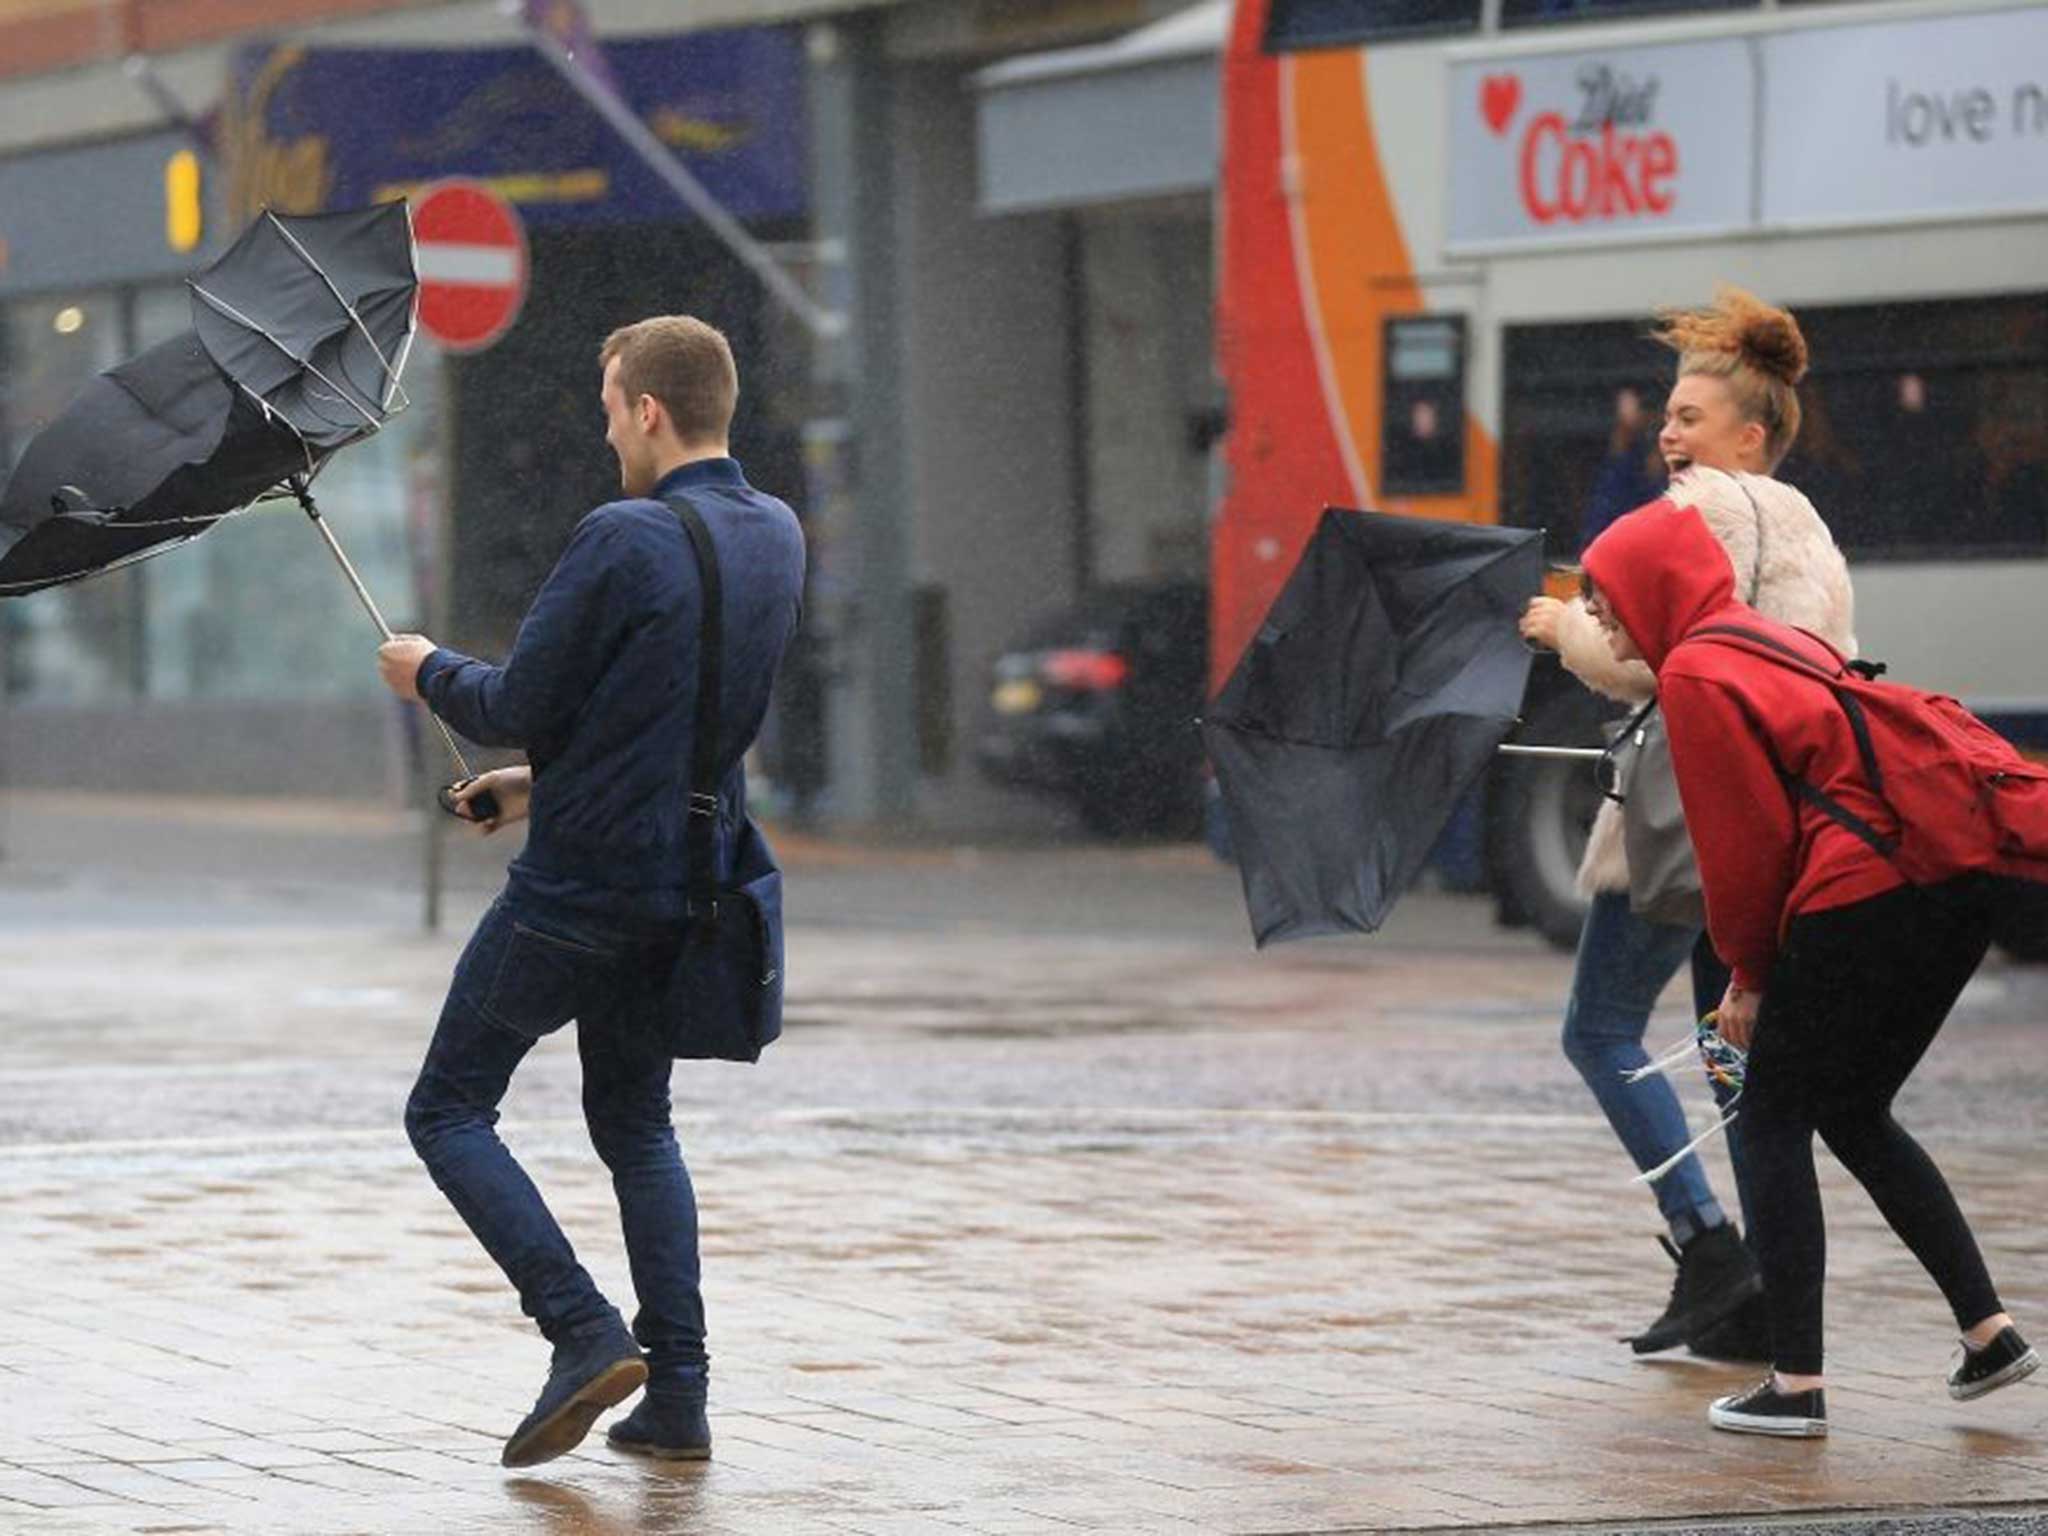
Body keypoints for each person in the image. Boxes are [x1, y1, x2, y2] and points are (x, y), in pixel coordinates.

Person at [375, 316, 806, 1467]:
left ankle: (579, 1333)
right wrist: (533, 786)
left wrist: (427, 673)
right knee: (634, 1123)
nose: (604, 424)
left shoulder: (623, 535)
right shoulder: (775, 534)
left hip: (580, 892)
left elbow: (516, 694)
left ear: (649, 411)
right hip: (692, 880)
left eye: (611, 403)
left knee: (448, 1110)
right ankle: (678, 1397)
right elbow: (674, 710)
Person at [1579, 500, 2035, 1438]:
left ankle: (1795, 1385)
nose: (1608, 623)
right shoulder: (1758, 637)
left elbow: (1746, 848)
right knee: (1853, 1110)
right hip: (1948, 878)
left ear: (1652, 588)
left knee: (1771, 1116)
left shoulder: (1700, 671)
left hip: (1868, 889)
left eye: (1611, 602)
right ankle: (1988, 1333)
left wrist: (1746, 979)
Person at [1520, 288, 1855, 1362]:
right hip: (1781, 818)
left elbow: (1636, 659)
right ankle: (1761, 1304)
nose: (1667, 434)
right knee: (1729, 1052)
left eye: (1688, 419)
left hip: (1687, 809)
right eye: (1665, 416)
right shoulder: (1807, 526)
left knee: (1598, 1029)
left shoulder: (1691, 514)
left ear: (1746, 435)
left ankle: (1705, 1244)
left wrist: (1556, 625)